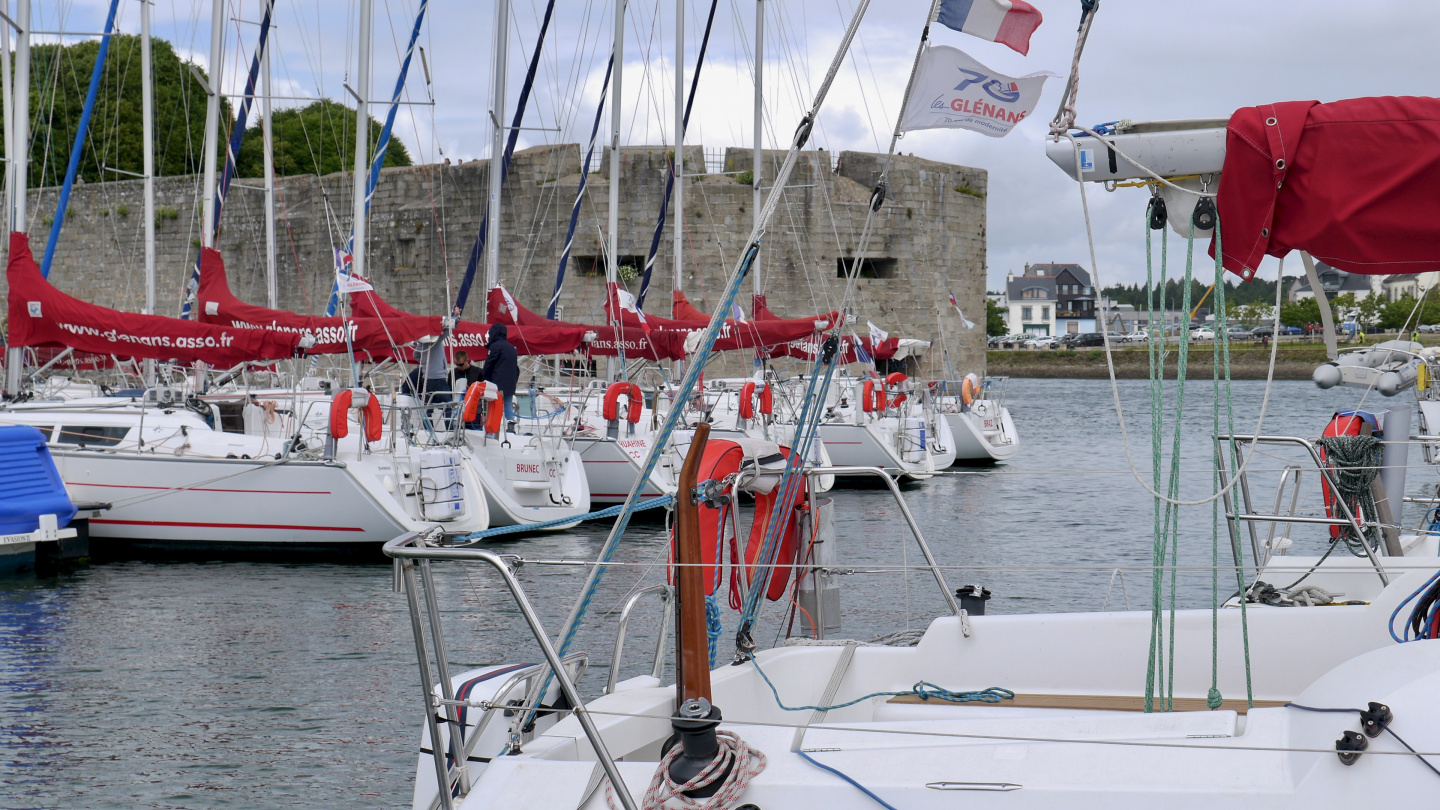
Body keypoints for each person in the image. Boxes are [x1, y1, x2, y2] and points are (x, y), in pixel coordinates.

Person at [482, 323, 520, 425]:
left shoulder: (495, 347)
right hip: (510, 384)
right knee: (508, 406)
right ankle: (510, 426)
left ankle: (490, 429)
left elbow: (489, 365)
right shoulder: (513, 348)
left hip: (496, 384)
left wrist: (484, 380)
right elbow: (516, 369)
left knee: (492, 407)